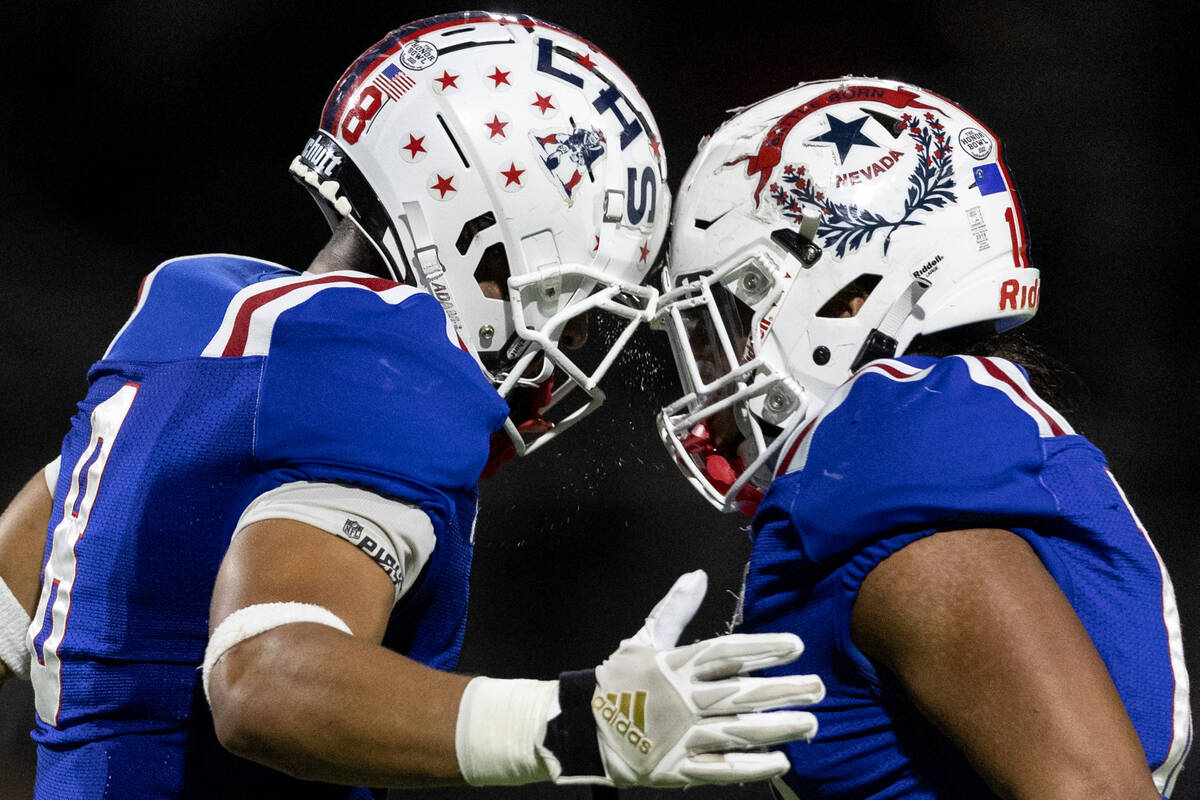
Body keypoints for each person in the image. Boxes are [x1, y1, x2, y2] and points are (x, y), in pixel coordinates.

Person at [0, 13, 826, 798]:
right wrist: (577, 724)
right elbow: (264, 683)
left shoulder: (199, 318)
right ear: (479, 242)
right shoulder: (388, 362)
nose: (564, 355)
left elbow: (22, 587)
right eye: (569, 309)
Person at [652, 76, 1190, 798]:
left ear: (849, 297)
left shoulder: (900, 476)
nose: (709, 367)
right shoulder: (917, 456)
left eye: (727, 312)